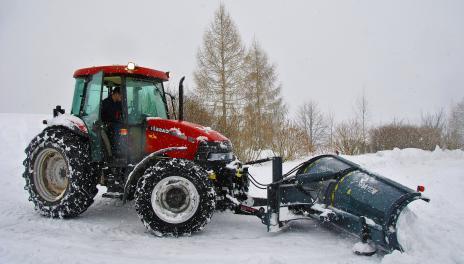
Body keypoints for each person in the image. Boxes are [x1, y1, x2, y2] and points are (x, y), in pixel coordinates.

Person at [101, 87, 123, 157]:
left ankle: (123, 149)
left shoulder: (119, 103)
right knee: (118, 128)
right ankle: (116, 150)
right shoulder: (105, 103)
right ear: (116, 94)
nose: (122, 97)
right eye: (121, 95)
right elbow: (101, 116)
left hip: (116, 123)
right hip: (106, 124)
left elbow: (122, 113)